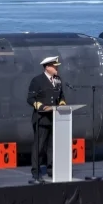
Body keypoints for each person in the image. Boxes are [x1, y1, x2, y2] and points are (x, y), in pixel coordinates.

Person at [26, 55, 66, 183]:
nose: (57, 68)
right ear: (48, 67)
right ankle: (36, 172)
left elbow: (61, 95)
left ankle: (51, 169)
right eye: (55, 66)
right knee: (39, 146)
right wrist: (41, 106)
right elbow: (30, 98)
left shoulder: (58, 80)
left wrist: (62, 104)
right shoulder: (37, 80)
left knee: (52, 146)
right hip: (42, 118)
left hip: (55, 117)